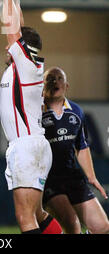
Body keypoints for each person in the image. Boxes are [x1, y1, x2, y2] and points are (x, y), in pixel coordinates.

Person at [0, 0, 62, 234]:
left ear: (25, 47)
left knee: (26, 219)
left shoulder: (26, 65)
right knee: (37, 213)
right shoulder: (27, 65)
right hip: (33, 145)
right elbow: (18, 28)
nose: (7, 46)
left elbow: (13, 32)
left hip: (26, 147)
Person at [42, 66, 109, 234]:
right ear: (42, 85)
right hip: (49, 179)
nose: (54, 82)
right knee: (73, 225)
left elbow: (82, 146)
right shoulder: (35, 112)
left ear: (66, 85)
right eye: (50, 78)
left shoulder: (76, 111)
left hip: (72, 177)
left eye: (59, 78)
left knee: (103, 227)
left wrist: (92, 177)